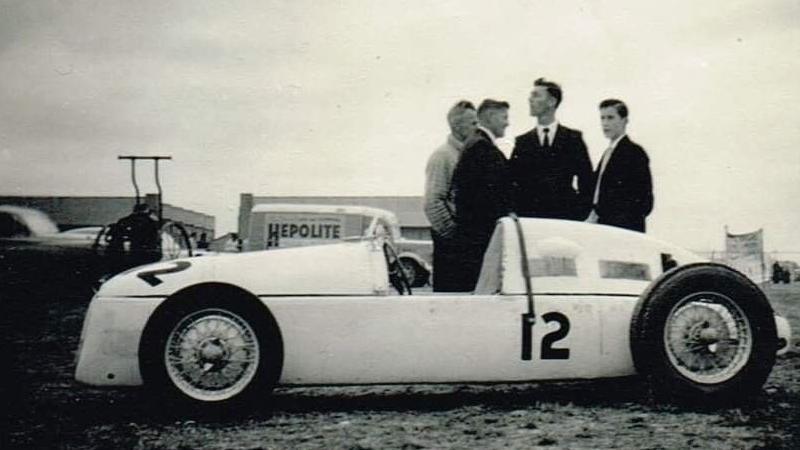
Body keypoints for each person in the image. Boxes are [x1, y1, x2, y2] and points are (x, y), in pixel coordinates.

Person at [451, 99, 513, 291]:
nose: (507, 123)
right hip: (480, 239)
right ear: (491, 116)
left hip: (473, 236)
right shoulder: (482, 148)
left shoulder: (474, 144)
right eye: (504, 117)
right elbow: (489, 198)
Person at [510, 78, 593, 220]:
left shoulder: (573, 139)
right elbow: (512, 181)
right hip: (531, 221)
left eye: (536, 95)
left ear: (552, 102)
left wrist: (579, 213)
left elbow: (587, 180)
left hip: (564, 220)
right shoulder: (522, 142)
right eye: (531, 95)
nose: (530, 100)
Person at [424, 100, 478, 292]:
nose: (477, 127)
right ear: (456, 125)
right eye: (473, 122)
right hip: (452, 250)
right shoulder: (443, 156)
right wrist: (455, 238)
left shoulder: (469, 154)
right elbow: (432, 202)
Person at [586, 99, 653, 232]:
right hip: (603, 226)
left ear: (624, 120)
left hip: (622, 229)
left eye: (610, 118)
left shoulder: (634, 153)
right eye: (602, 118)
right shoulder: (607, 153)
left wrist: (613, 221)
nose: (605, 123)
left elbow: (644, 201)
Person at [106, 203, 161, 274]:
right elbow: (154, 237)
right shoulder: (151, 222)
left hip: (126, 251)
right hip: (145, 251)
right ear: (147, 211)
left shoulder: (124, 220)